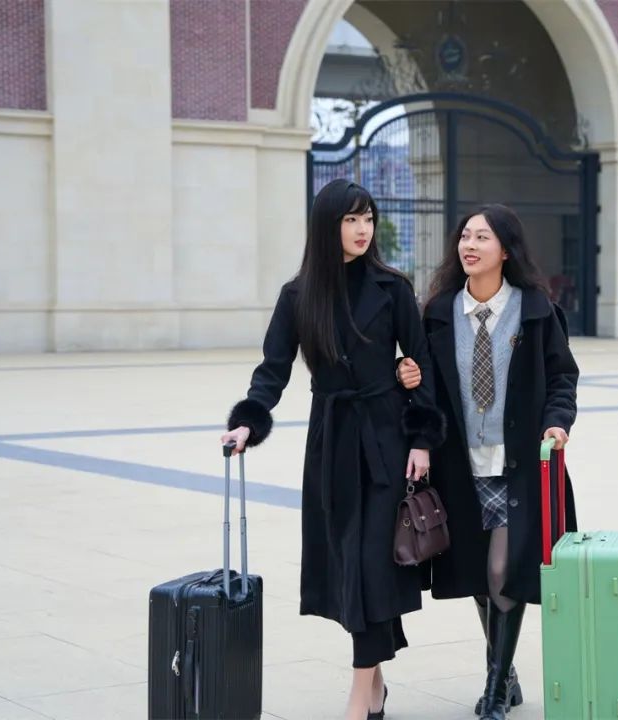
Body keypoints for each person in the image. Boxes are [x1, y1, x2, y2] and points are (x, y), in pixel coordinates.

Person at [221, 179, 444, 720]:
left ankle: (358, 698)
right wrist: (248, 423)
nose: (363, 229)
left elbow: (421, 363)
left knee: (372, 562)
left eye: (367, 218)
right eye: (350, 219)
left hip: (386, 440)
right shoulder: (298, 296)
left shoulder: (393, 287)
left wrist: (422, 440)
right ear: (328, 226)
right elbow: (272, 370)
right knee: (349, 568)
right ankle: (377, 684)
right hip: (332, 442)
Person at [397, 204, 579, 719]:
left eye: (482, 237)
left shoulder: (536, 311)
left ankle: (495, 690)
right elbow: (424, 387)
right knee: (480, 575)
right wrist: (405, 375)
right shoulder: (438, 313)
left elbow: (562, 376)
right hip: (460, 465)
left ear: (505, 249)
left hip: (516, 465)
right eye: (465, 236)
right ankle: (508, 673)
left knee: (503, 568)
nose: (470, 245)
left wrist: (558, 422)